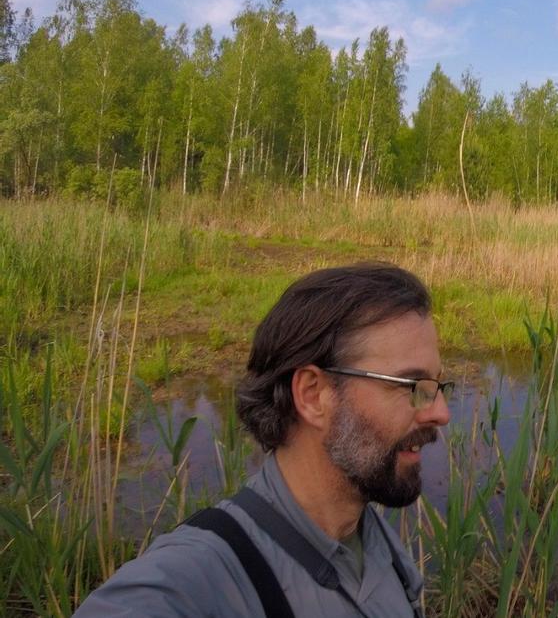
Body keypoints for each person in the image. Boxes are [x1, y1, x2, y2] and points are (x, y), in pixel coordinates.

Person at [75, 262, 453, 618]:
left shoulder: (379, 544)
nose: (441, 413)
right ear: (312, 395)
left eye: (437, 386)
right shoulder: (204, 577)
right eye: (413, 386)